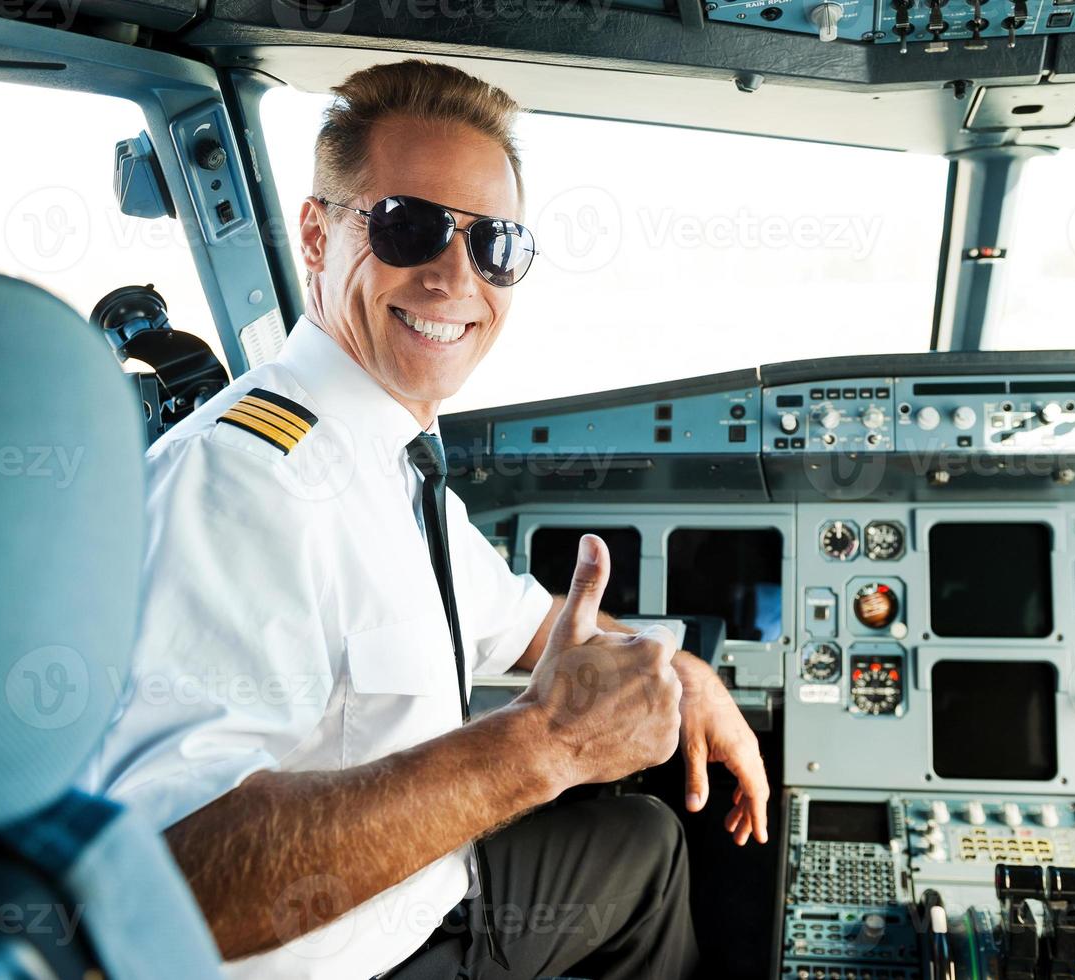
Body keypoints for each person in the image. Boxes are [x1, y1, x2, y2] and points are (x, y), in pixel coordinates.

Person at [88, 59, 770, 979]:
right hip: (342, 958)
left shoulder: (381, 451)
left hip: (421, 895)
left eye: (494, 245)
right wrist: (547, 744)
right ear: (317, 239)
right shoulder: (246, 483)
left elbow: (522, 622)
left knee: (641, 848)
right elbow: (169, 892)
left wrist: (683, 672)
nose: (456, 277)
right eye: (411, 227)